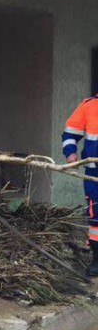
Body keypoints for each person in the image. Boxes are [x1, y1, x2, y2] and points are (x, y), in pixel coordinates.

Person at [63, 96, 98, 276]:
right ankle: (97, 259)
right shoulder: (88, 106)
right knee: (96, 217)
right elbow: (70, 133)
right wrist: (70, 154)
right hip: (94, 174)